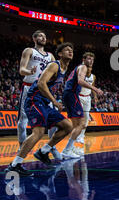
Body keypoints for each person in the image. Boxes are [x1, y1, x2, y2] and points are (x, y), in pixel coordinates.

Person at [5, 43, 75, 176]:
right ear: (60, 54)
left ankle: (43, 151)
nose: (70, 52)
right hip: (34, 100)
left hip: (44, 102)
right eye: (67, 50)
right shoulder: (55, 65)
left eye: (71, 50)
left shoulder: (65, 68)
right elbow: (41, 83)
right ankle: (14, 165)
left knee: (67, 126)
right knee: (38, 132)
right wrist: (55, 101)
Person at [17, 30, 55, 153]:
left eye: (44, 36)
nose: (43, 38)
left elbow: (56, 73)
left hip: (44, 89)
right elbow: (22, 70)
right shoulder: (29, 51)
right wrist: (30, 72)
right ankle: (22, 146)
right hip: (29, 86)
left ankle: (51, 147)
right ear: (34, 38)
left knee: (52, 118)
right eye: (40, 36)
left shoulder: (50, 56)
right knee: (23, 120)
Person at [61, 52, 103, 159]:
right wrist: (96, 89)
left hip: (79, 96)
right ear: (83, 59)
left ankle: (71, 147)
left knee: (80, 124)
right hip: (76, 95)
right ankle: (68, 149)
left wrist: (94, 95)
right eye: (88, 59)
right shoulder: (82, 67)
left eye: (92, 60)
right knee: (78, 124)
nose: (90, 61)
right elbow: (80, 81)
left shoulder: (90, 74)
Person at [73, 55, 98, 156]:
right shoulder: (80, 72)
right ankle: (75, 138)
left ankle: (81, 136)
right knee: (79, 119)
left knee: (86, 119)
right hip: (79, 96)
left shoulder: (93, 76)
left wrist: (95, 96)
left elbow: (93, 87)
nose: (89, 69)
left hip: (87, 98)